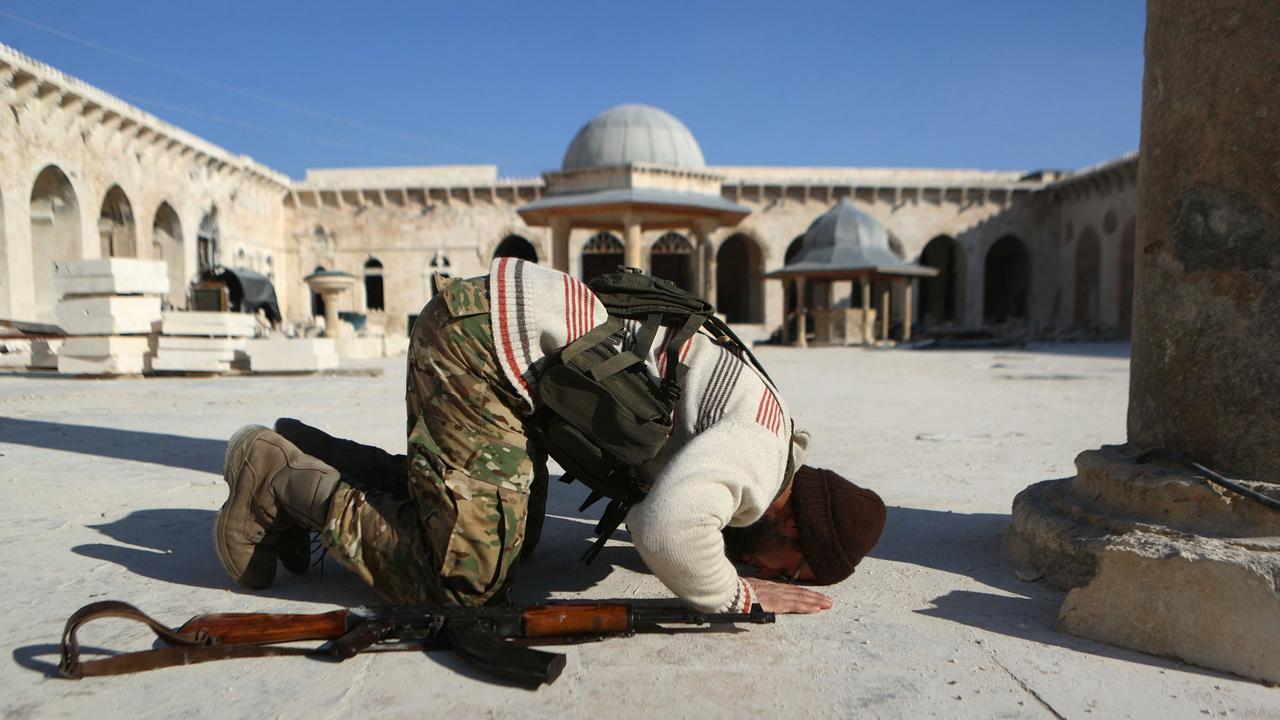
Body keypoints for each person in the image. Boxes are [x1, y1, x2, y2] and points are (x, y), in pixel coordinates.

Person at [214, 258, 886, 614]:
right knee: (463, 584)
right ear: (792, 532)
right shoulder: (758, 461)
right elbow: (666, 532)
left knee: (514, 542)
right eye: (787, 571)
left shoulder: (774, 434)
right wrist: (734, 596)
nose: (767, 573)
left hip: (505, 339)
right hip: (481, 349)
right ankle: (278, 480)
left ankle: (318, 456)